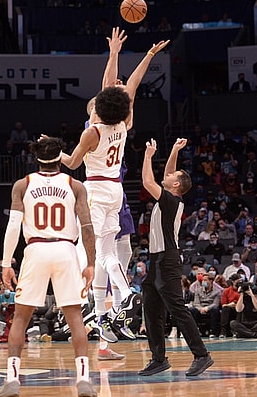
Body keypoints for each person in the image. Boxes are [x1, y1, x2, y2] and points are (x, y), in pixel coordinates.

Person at [61, 28, 168, 344]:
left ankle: (97, 304)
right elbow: (128, 87)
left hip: (96, 188)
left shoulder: (92, 130)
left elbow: (113, 86)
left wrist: (113, 54)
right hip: (116, 190)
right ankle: (112, 303)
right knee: (106, 253)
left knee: (92, 251)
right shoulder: (124, 122)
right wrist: (146, 56)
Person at [0, 137, 97, 397]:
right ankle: (84, 379)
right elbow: (87, 226)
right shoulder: (75, 186)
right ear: (60, 156)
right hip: (66, 249)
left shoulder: (23, 184)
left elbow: (13, 227)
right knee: (75, 317)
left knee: (21, 317)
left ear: (35, 157)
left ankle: (12, 380)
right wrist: (91, 262)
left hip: (35, 249)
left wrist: (6, 263)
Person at [139, 137, 213, 376]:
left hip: (167, 259)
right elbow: (169, 173)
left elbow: (147, 180)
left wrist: (149, 155)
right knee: (151, 308)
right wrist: (173, 150)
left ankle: (202, 355)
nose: (168, 175)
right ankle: (158, 358)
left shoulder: (170, 200)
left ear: (176, 186)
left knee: (177, 308)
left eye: (173, 176)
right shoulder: (172, 196)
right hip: (156, 261)